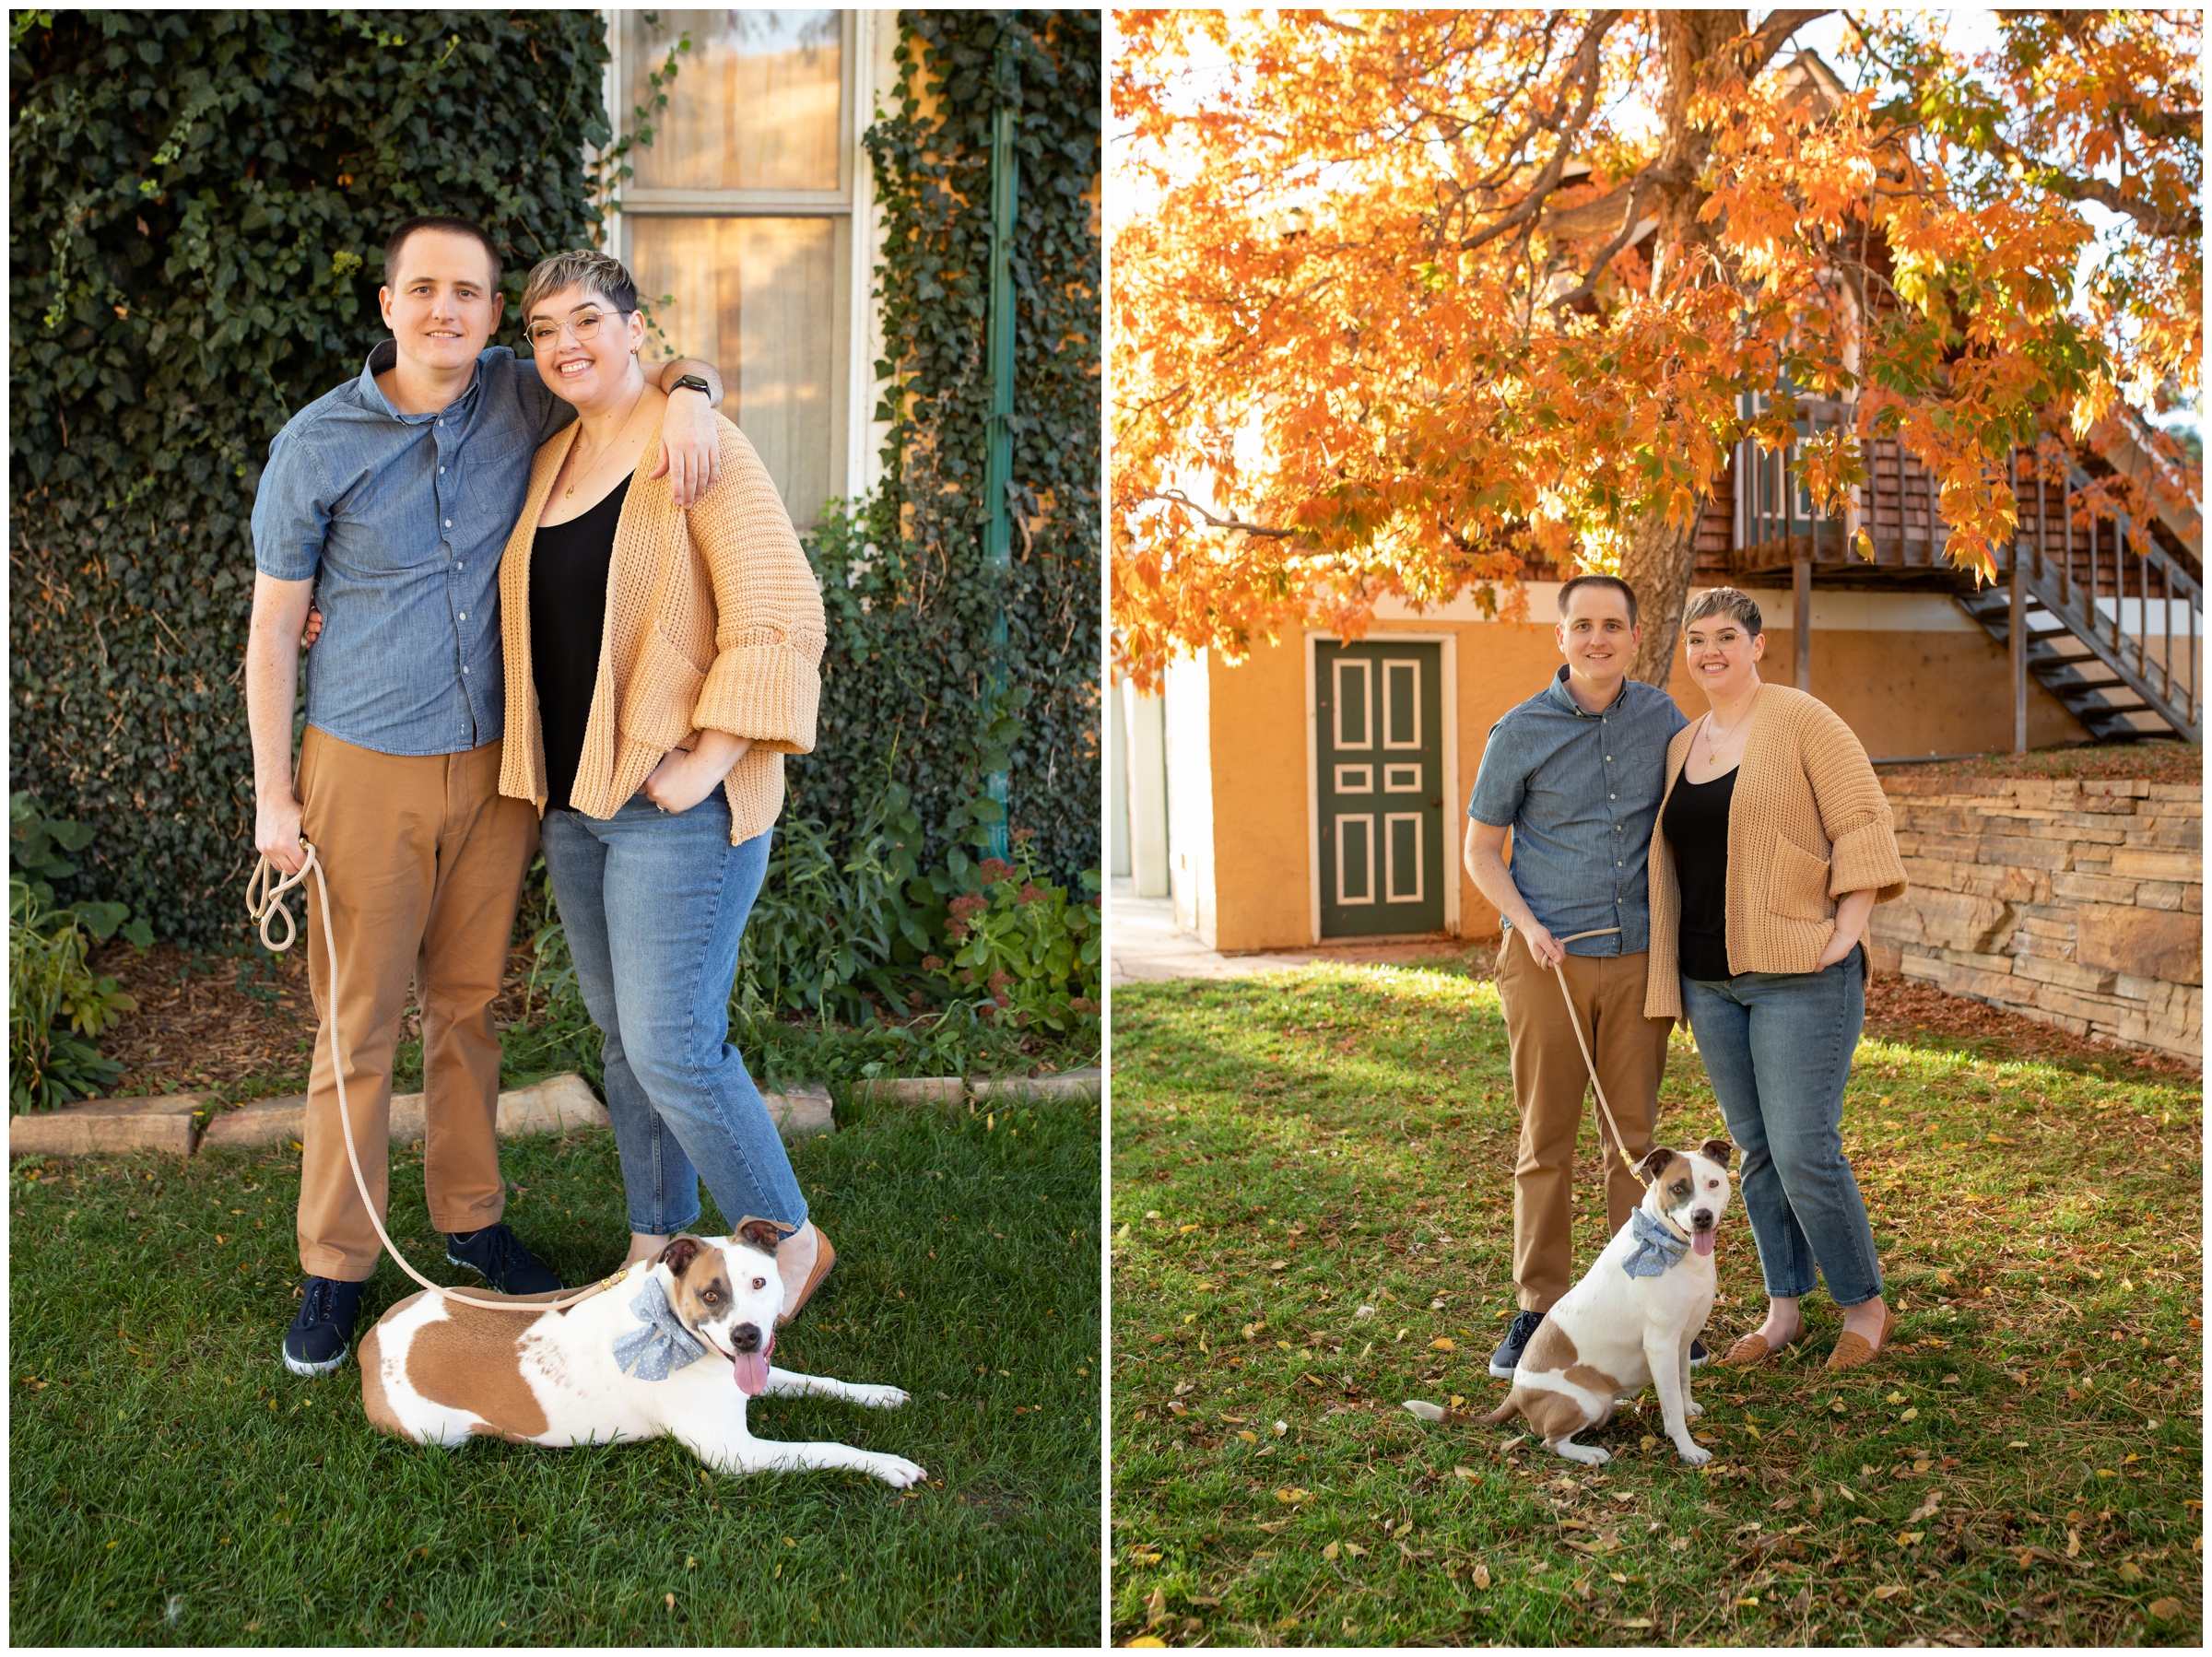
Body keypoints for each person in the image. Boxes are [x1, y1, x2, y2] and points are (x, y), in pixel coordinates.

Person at [247, 215, 729, 1378]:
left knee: (467, 1008)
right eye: (425, 291)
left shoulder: (522, 392)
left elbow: (634, 362)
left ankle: (471, 1220)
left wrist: (698, 392)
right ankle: (335, 1265)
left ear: (489, 311)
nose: (447, 311)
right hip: (363, 765)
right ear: (387, 304)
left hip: (503, 769)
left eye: (469, 293)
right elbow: (273, 628)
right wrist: (274, 800)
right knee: (358, 1024)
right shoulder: (317, 444)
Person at [494, 249, 834, 1321]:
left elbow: (782, 614)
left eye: (588, 319)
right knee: (620, 1037)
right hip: (578, 802)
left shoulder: (699, 443)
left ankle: (792, 1243)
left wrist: (709, 763)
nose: (566, 344)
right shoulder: (551, 459)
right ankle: (657, 1247)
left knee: (675, 1043)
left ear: (636, 327)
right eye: (546, 329)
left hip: (676, 810)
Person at [1644, 587, 1908, 1371]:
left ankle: (1864, 1306)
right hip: (1710, 982)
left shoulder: (1803, 719)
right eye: (1697, 640)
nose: (1710, 652)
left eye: (1726, 636)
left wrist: (1847, 933)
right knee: (1751, 1155)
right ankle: (1783, 1308)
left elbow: (1863, 823)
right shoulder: (1681, 744)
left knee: (1803, 1151)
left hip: (1799, 976)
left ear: (1758, 645)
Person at [1464, 574, 1696, 1381]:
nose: (1598, 639)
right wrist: (1527, 924)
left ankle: (1645, 1299)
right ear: (1560, 639)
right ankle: (1538, 1309)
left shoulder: (1664, 719)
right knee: (1547, 1141)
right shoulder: (1519, 732)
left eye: (1613, 626)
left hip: (1636, 962)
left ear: (1635, 636)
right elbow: (1481, 852)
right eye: (1582, 626)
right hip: (1544, 962)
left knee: (1634, 1145)